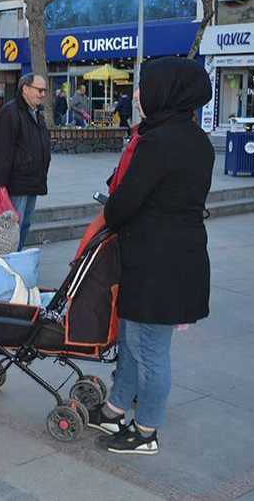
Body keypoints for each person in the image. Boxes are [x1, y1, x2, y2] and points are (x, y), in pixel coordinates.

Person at [85, 57, 214, 456]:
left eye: (147, 87)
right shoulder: (195, 138)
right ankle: (114, 408)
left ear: (167, 92)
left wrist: (111, 208)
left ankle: (146, 430)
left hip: (159, 261)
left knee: (149, 350)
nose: (140, 95)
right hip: (170, 255)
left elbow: (125, 204)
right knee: (131, 339)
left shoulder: (159, 142)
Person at [0, 73, 51, 251]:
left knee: (24, 225)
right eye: (39, 90)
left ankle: (15, 260)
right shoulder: (10, 112)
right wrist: (1, 184)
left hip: (33, 179)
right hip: (17, 182)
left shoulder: (36, 113)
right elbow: (2, 150)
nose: (42, 94)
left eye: (44, 91)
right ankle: (8, 264)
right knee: (13, 228)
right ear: (25, 88)